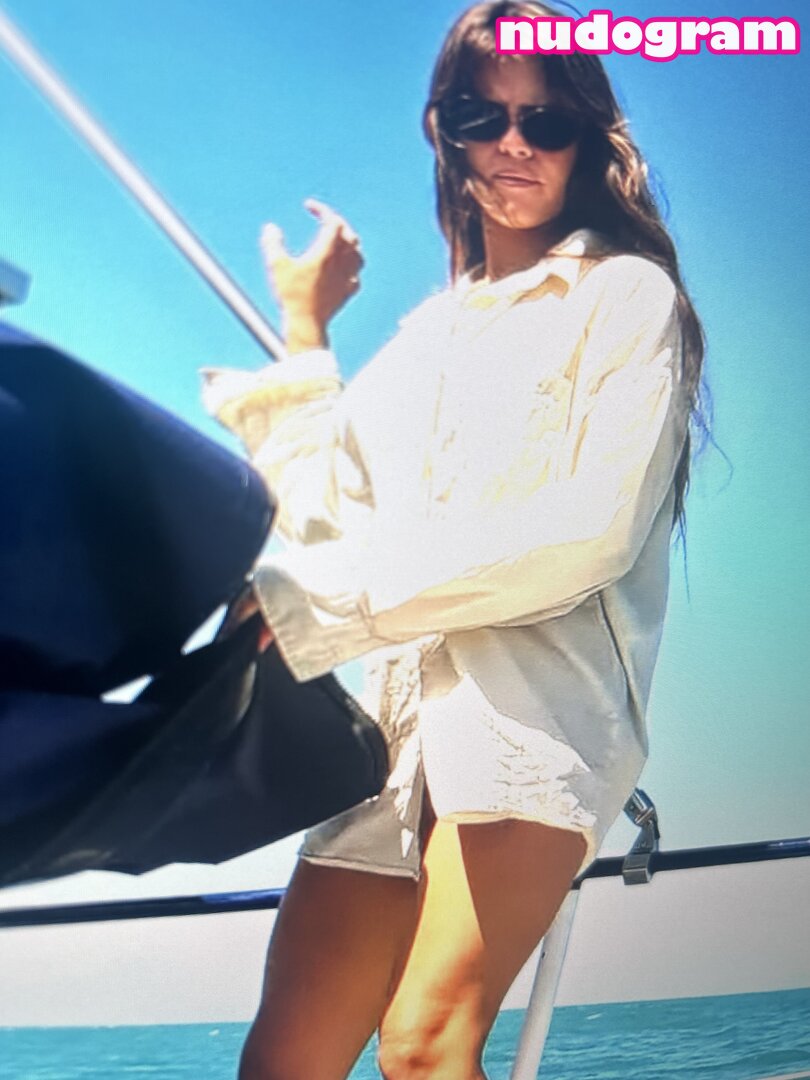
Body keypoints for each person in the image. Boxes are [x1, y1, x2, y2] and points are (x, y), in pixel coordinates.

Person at [202, 2, 705, 1076]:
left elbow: (589, 532)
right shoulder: (418, 346)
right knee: (283, 1060)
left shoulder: (626, 297)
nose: (515, 144)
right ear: (445, 129)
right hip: (384, 740)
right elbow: (320, 519)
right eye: (485, 116)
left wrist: (323, 605)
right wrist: (307, 330)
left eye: (547, 120)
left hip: (534, 719)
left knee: (425, 1047)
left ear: (587, 135)